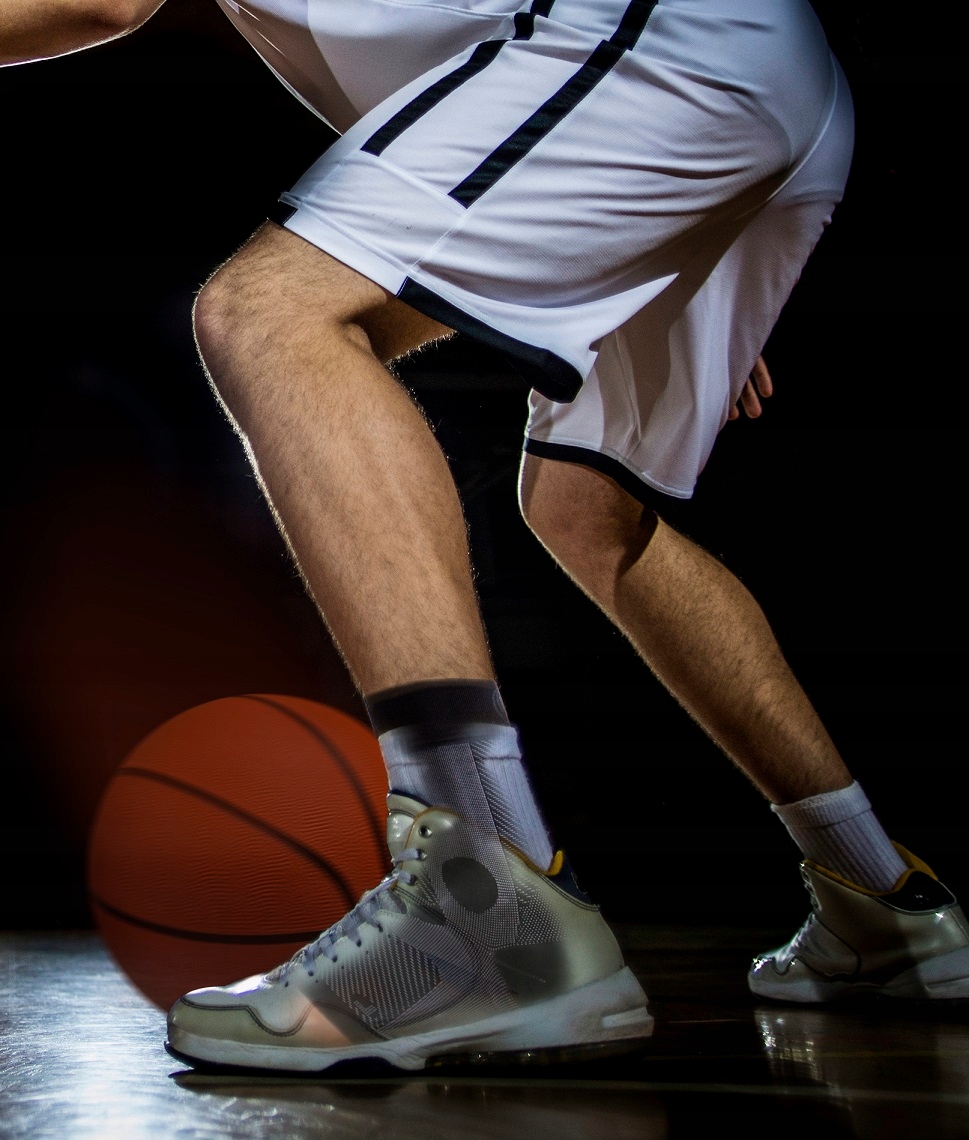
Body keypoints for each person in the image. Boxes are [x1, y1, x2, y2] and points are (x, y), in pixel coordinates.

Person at [5, 0, 968, 1074]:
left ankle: (486, 907)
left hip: (660, 50)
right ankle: (882, 904)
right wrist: (677, 200)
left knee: (275, 316)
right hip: (723, 79)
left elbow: (99, 2)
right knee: (585, 510)